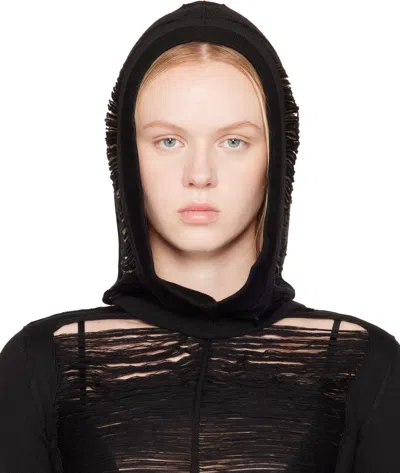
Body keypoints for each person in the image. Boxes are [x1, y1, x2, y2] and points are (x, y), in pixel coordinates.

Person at [0, 1, 399, 472]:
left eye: (234, 141)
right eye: (168, 141)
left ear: (275, 159)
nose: (200, 174)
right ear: (128, 159)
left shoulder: (365, 366)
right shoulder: (40, 364)